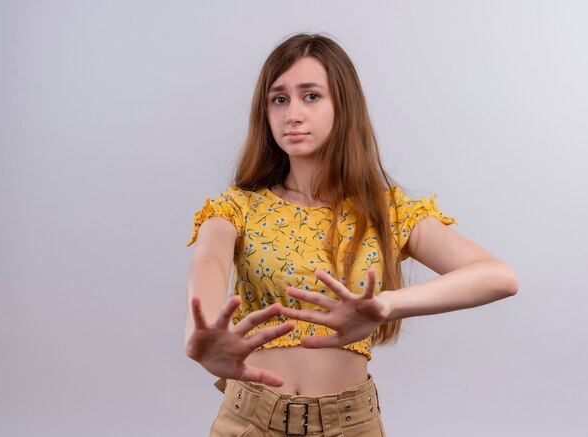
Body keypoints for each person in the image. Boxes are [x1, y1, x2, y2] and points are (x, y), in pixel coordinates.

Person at [184, 33, 519, 437]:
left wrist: (386, 305)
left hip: (351, 424)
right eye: (279, 99)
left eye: (311, 96)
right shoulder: (235, 209)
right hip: (249, 421)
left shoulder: (385, 211)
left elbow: (498, 277)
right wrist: (198, 336)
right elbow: (208, 266)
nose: (292, 113)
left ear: (343, 106)